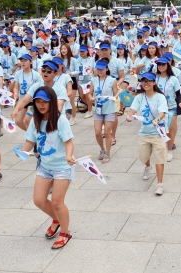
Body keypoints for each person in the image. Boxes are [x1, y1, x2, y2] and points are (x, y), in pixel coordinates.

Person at [19, 86, 76, 249]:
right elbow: (30, 142)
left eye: (45, 101)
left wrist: (68, 155)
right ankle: (57, 220)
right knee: (39, 200)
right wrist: (23, 151)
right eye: (38, 102)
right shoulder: (35, 121)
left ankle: (65, 232)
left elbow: (68, 141)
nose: (41, 105)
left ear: (51, 101)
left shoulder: (60, 120)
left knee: (58, 202)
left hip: (62, 167)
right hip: (44, 166)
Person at [126, 73, 169, 195]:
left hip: (158, 133)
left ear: (154, 82)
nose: (146, 83)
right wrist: (130, 116)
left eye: (149, 81)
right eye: (144, 81)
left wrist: (157, 119)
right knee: (143, 157)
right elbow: (133, 110)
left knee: (159, 159)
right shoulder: (139, 97)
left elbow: (162, 112)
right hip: (144, 133)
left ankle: (160, 184)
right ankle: (147, 166)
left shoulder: (160, 97)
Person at [90, 58, 118, 164]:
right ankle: (102, 148)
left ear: (106, 69)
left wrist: (114, 97)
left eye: (102, 69)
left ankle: (108, 153)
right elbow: (90, 93)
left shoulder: (112, 80)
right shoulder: (93, 80)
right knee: (97, 132)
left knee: (107, 132)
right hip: (98, 109)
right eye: (98, 69)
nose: (100, 71)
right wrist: (91, 97)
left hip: (109, 109)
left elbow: (116, 93)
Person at [155, 57, 181, 162]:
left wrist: (179, 103)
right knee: (160, 130)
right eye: (159, 64)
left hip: (171, 108)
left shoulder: (173, 79)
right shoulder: (155, 78)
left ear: (168, 65)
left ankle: (169, 150)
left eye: (163, 64)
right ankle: (160, 149)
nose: (161, 66)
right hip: (158, 109)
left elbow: (178, 94)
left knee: (169, 131)